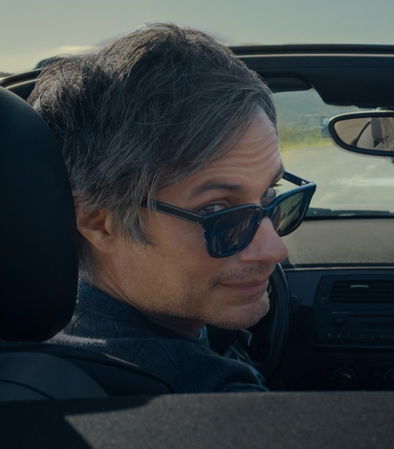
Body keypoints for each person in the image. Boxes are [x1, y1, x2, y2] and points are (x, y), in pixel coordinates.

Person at [28, 24, 315, 392]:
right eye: (215, 212)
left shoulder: (36, 337)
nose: (275, 250)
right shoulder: (215, 398)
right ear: (99, 222)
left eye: (269, 196)